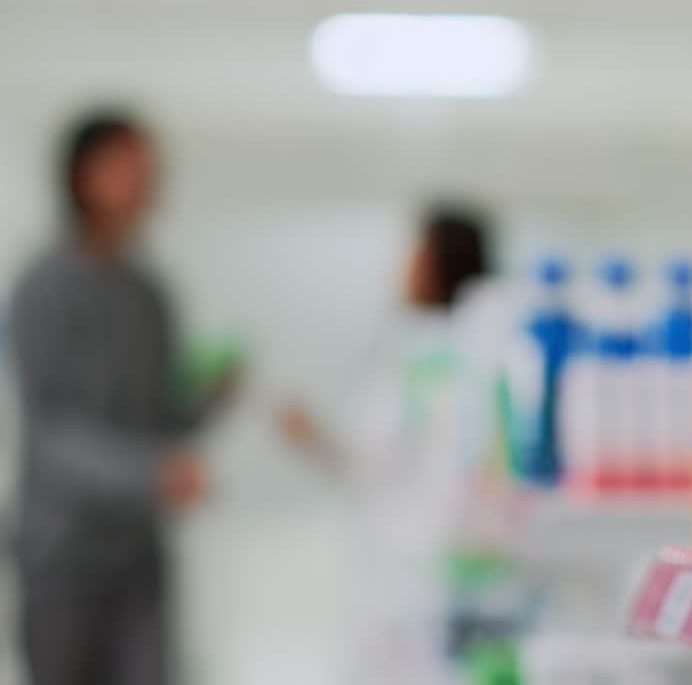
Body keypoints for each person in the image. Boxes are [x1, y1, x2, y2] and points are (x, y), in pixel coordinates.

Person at [9, 112, 231, 685]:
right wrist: (151, 471)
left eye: (150, 166)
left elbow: (162, 417)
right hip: (61, 559)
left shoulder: (149, 294)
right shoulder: (40, 289)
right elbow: (52, 432)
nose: (147, 178)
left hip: (138, 559)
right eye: (130, 164)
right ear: (83, 176)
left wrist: (206, 401)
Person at [279, 206, 494, 685]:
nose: (403, 266)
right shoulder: (428, 347)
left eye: (416, 252)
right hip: (411, 561)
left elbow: (375, 458)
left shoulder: (434, 354)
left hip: (416, 564)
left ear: (441, 262)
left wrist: (316, 439)